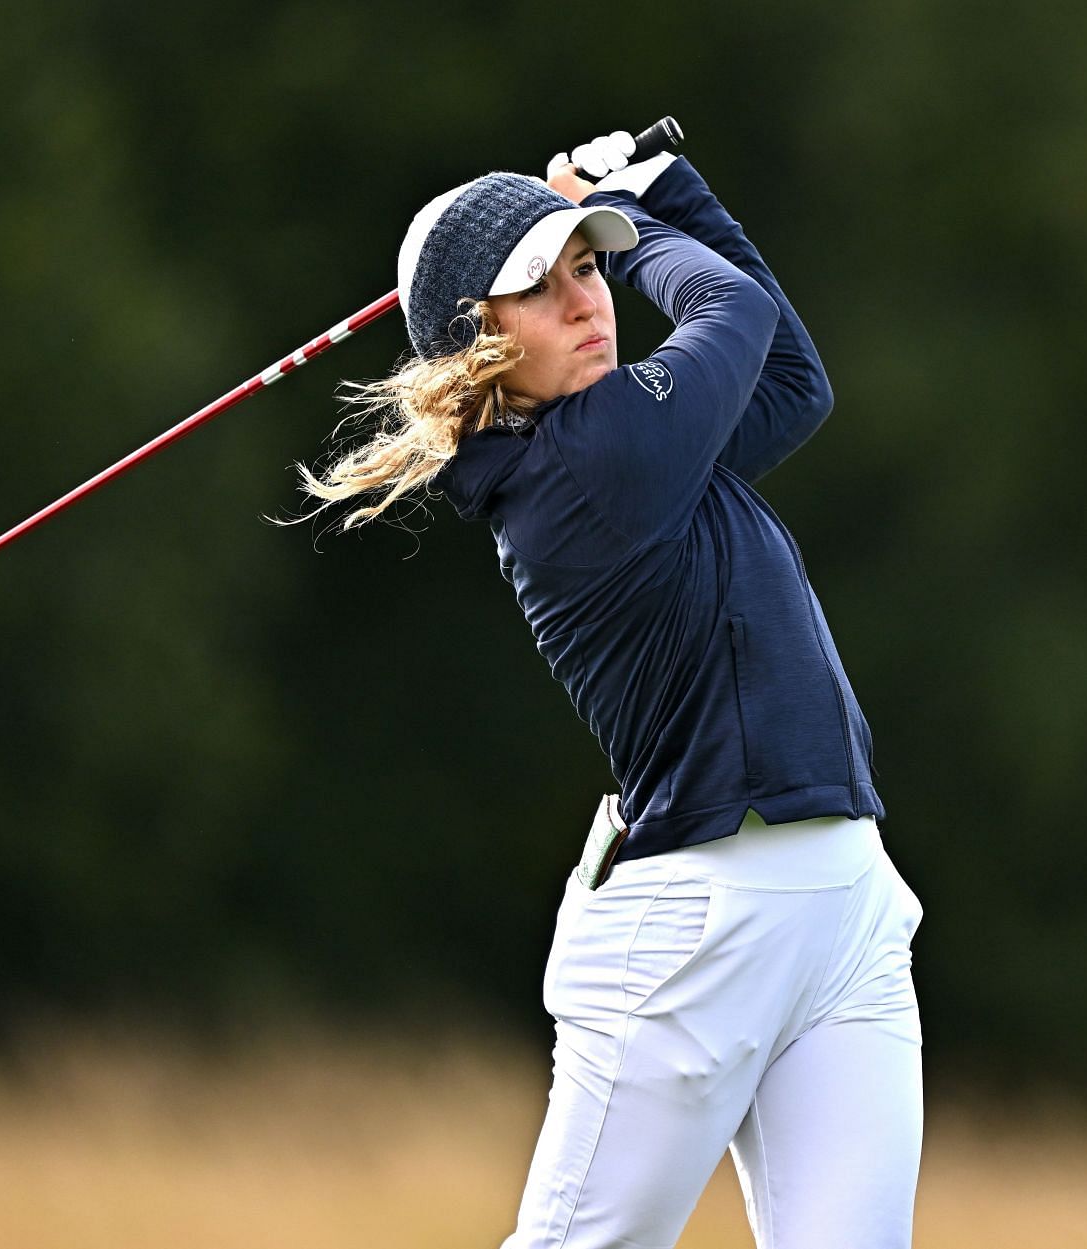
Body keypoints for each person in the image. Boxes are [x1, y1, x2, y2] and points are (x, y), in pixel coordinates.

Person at [295, 131, 925, 1249]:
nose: (587, 301)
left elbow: (792, 382)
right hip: (694, 928)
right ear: (478, 342)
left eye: (590, 266)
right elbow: (733, 314)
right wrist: (645, 207)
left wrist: (667, 196)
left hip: (843, 901)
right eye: (542, 287)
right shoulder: (579, 468)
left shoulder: (646, 440)